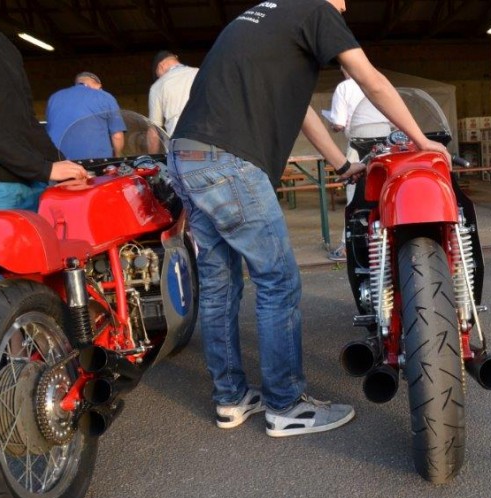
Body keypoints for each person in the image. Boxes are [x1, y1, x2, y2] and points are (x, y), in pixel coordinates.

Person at [167, 0, 450, 438]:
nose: (344, 7)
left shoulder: (261, 18)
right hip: (230, 160)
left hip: (186, 154)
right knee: (277, 280)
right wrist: (422, 140)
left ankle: (230, 398)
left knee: (221, 280)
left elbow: (300, 111)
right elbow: (370, 79)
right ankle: (285, 405)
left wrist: (340, 164)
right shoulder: (314, 11)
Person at [0, 0, 87, 210]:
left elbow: (27, 119)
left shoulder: (4, 45)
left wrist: (65, 165)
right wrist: (43, 168)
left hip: (30, 185)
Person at [324, 67, 387, 262]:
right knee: (385, 191)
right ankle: (385, 238)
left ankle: (347, 246)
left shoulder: (345, 87)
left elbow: (339, 124)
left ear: (344, 69)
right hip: (386, 143)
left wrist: (332, 123)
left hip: (360, 144)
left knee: (355, 195)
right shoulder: (378, 80)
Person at [45, 72, 126, 160]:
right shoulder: (104, 96)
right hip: (95, 163)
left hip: (58, 162)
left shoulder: (54, 98)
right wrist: (118, 157)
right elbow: (117, 136)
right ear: (99, 86)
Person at [148, 50, 198, 136]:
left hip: (182, 141)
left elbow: (154, 129)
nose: (160, 78)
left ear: (161, 66)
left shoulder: (158, 86)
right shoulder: (200, 72)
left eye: (158, 75)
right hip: (213, 138)